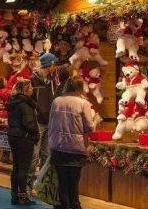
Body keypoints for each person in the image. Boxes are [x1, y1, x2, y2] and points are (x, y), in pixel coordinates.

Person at [49, 77, 95, 209]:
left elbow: (50, 123)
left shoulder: (56, 101)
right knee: (73, 184)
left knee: (62, 184)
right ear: (80, 88)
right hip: (75, 148)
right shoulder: (83, 103)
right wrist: (94, 120)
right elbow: (89, 127)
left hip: (58, 147)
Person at [28, 51, 59, 192]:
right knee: (34, 154)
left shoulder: (51, 81)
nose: (55, 67)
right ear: (49, 65)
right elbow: (30, 100)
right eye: (54, 64)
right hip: (38, 121)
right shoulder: (33, 80)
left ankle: (41, 185)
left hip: (49, 121)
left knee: (46, 154)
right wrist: (38, 113)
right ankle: (28, 184)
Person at [6, 79, 39, 205]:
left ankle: (15, 195)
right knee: (23, 167)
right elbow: (28, 123)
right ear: (25, 89)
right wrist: (35, 134)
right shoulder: (25, 104)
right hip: (24, 138)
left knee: (16, 167)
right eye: (30, 88)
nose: (32, 90)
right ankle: (22, 196)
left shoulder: (13, 102)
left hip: (13, 136)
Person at [0, 77, 13, 165]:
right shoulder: (5, 92)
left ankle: (4, 156)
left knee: (5, 136)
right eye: (5, 80)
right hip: (7, 115)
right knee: (7, 136)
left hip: (3, 114)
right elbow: (11, 91)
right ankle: (5, 156)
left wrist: (15, 75)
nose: (6, 81)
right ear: (2, 83)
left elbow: (8, 86)